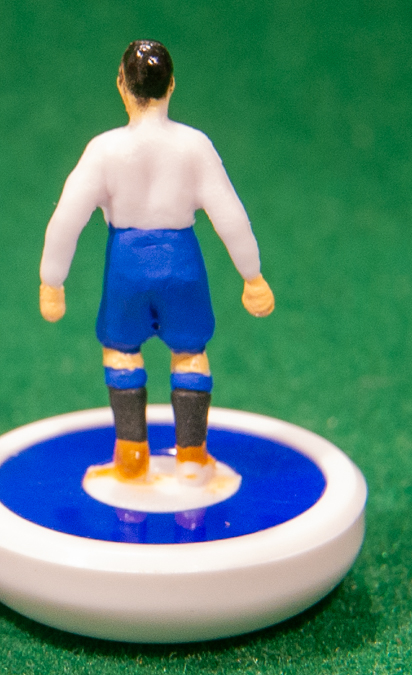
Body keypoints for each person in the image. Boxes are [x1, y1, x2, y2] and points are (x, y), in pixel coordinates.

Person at [39, 41, 274, 486]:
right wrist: (253, 276)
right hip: (181, 265)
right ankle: (191, 457)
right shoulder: (194, 146)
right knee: (190, 352)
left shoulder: (104, 150)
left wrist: (53, 281)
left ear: (121, 86)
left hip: (126, 269)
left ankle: (131, 456)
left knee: (120, 349)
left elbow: (68, 217)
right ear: (171, 86)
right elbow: (229, 214)